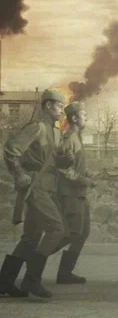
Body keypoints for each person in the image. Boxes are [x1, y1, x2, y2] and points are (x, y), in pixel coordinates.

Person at [0, 89, 69, 298]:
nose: (62, 110)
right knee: (56, 229)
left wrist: (64, 160)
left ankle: (4, 282)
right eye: (59, 106)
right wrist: (19, 173)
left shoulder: (56, 132)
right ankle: (32, 279)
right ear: (48, 105)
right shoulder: (36, 127)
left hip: (48, 187)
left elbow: (51, 160)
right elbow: (11, 150)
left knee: (31, 237)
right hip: (35, 186)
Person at [55, 101, 94, 285]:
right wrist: (84, 180)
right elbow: (63, 168)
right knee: (71, 233)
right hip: (70, 193)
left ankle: (65, 272)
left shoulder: (77, 137)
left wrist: (87, 175)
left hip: (79, 193)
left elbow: (75, 166)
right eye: (83, 114)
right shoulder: (69, 138)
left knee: (83, 232)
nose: (86, 117)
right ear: (74, 118)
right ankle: (36, 257)